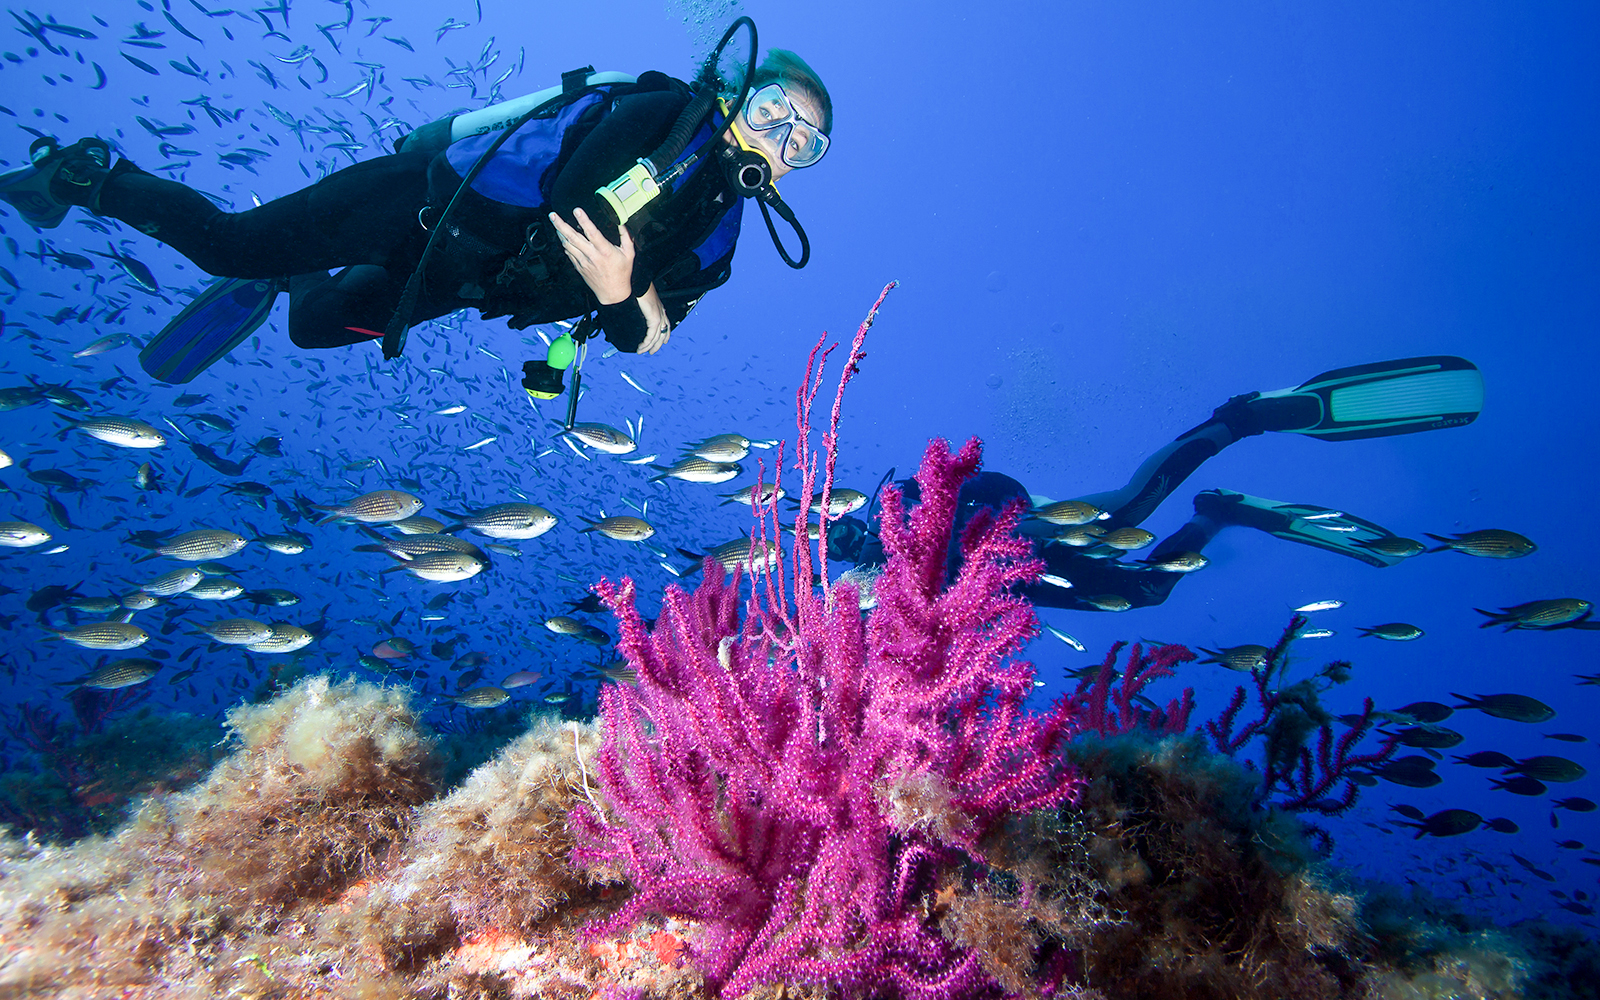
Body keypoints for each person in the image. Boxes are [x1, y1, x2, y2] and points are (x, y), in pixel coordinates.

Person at [0, 44, 830, 375]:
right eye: (770, 111)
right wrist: (626, 292)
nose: (780, 140)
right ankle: (89, 177)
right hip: (423, 209)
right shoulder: (661, 113)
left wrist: (630, 299)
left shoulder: (720, 238)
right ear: (731, 93)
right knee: (226, 247)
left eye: (804, 142)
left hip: (462, 287)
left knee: (312, 327)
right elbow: (581, 201)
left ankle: (295, 276)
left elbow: (649, 334)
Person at [829, 356, 1487, 611]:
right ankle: (1222, 514)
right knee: (1146, 592)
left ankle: (1243, 418)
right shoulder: (880, 605)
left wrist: (971, 527)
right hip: (1017, 580)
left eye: (846, 539)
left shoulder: (899, 516)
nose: (850, 572)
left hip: (1000, 523)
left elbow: (969, 485)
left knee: (1131, 508)